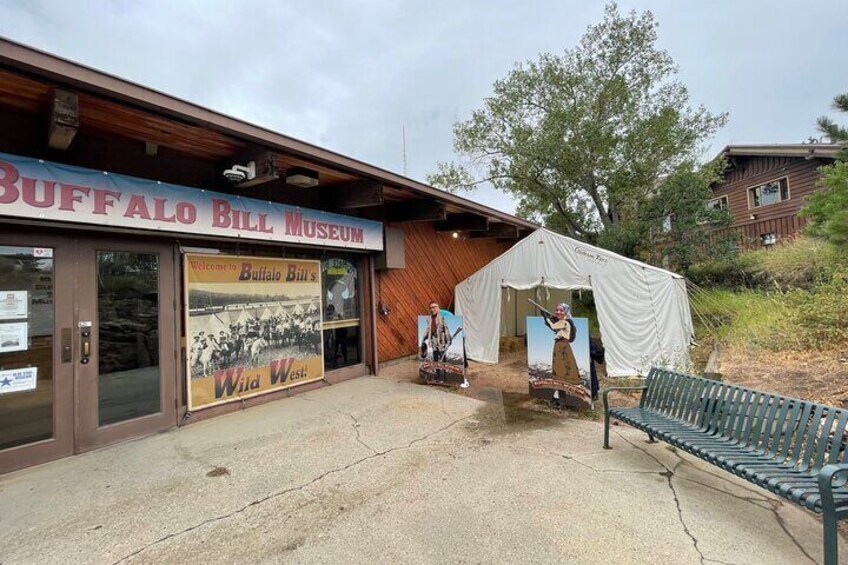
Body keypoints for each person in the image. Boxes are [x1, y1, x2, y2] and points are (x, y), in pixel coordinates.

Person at [543, 303, 580, 385]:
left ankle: (563, 380)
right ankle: (568, 380)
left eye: (561, 310)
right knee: (566, 361)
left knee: (560, 361)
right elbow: (555, 327)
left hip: (561, 344)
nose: (558, 312)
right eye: (557, 310)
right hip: (562, 343)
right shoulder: (564, 321)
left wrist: (546, 318)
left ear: (566, 312)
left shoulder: (564, 321)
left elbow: (553, 326)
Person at [421, 301, 452, 381]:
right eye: (431, 307)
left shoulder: (442, 317)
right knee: (435, 358)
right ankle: (438, 375)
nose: (432, 309)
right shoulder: (429, 318)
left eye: (434, 307)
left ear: (438, 308)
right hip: (433, 340)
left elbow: (446, 329)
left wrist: (448, 339)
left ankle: (444, 377)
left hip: (441, 340)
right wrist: (423, 339)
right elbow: (429, 329)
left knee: (442, 358)